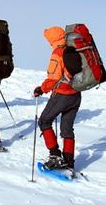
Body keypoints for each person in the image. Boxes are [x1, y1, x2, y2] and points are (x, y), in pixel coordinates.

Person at [33, 26, 81, 170]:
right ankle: (69, 162)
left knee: (44, 121)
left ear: (52, 40)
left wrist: (41, 89)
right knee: (67, 128)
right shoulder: (74, 50)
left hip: (62, 95)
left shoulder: (58, 53)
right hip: (76, 95)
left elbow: (53, 79)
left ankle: (55, 155)